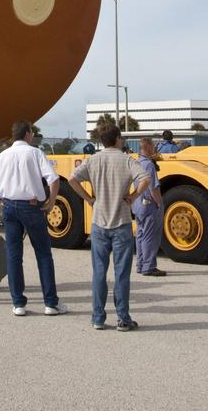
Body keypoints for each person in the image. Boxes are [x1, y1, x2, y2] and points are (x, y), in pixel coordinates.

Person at [0, 121, 67, 317]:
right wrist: (52, 201)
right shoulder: (35, 153)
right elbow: (53, 179)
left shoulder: (3, 155)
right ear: (28, 134)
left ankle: (18, 303)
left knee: (13, 255)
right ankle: (50, 303)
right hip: (32, 205)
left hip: (10, 206)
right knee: (43, 254)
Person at [68, 124, 150, 331]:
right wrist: (132, 196)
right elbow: (145, 178)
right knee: (122, 273)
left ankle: (98, 317)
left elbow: (72, 179)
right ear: (118, 139)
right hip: (121, 222)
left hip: (99, 222)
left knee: (99, 272)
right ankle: (123, 318)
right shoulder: (126, 160)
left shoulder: (93, 160)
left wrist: (88, 198)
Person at [135, 138, 166, 277]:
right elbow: (153, 188)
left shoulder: (137, 163)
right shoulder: (149, 165)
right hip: (149, 206)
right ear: (147, 147)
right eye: (153, 145)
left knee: (140, 235)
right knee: (150, 237)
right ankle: (149, 266)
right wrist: (159, 203)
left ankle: (141, 264)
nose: (154, 148)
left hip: (138, 205)